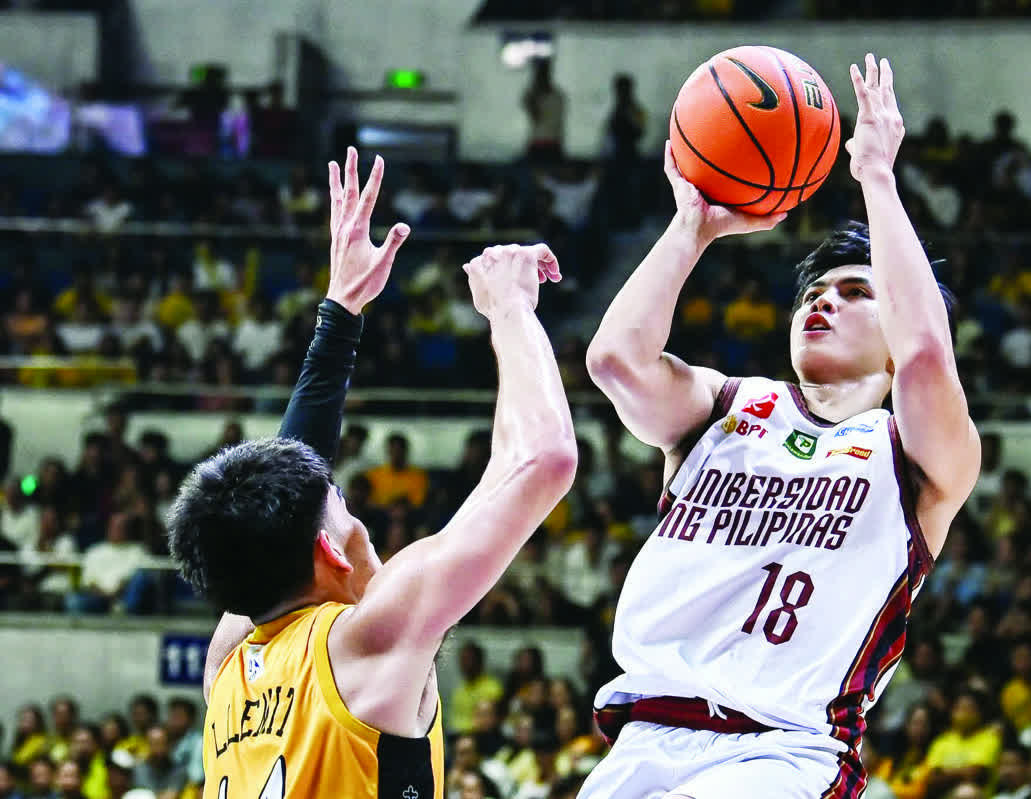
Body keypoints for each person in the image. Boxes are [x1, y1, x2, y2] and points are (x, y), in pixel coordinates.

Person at [580, 55, 980, 799]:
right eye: (812, 294)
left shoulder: (916, 454)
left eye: (855, 291)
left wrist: (879, 179)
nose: (820, 303)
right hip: (643, 741)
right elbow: (615, 362)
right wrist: (691, 227)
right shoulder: (726, 405)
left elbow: (926, 353)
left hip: (783, 753)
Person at [168, 148, 577, 799]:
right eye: (333, 492)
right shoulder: (365, 639)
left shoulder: (227, 661)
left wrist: (341, 310)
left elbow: (287, 483)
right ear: (328, 546)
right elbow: (543, 459)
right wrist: (509, 309)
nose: (335, 483)